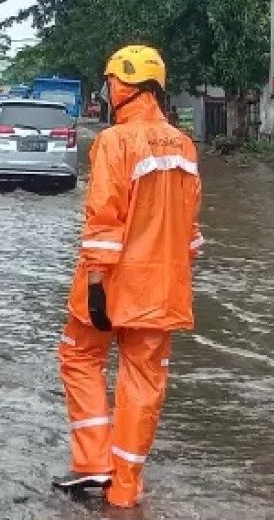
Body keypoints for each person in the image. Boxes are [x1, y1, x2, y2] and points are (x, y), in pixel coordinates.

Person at [53, 45, 202, 509]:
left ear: (121, 85)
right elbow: (190, 227)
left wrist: (97, 283)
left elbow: (103, 218)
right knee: (143, 381)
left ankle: (94, 461)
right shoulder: (184, 144)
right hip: (162, 289)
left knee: (79, 358)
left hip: (113, 283)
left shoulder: (114, 142)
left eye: (108, 82)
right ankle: (126, 489)